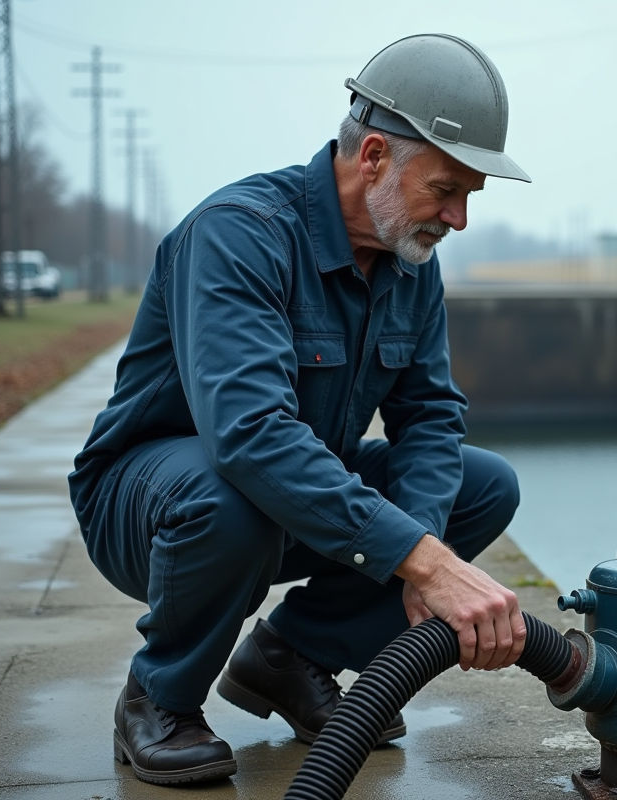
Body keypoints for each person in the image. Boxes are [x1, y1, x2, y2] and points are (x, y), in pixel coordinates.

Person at [67, 33, 532, 786]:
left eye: (470, 197)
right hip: (152, 505)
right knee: (235, 493)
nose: (459, 219)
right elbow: (249, 435)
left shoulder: (410, 261)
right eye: (446, 189)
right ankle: (158, 699)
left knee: (484, 485)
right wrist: (422, 561)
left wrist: (426, 557)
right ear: (374, 156)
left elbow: (433, 417)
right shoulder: (238, 235)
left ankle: (291, 657)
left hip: (276, 502)